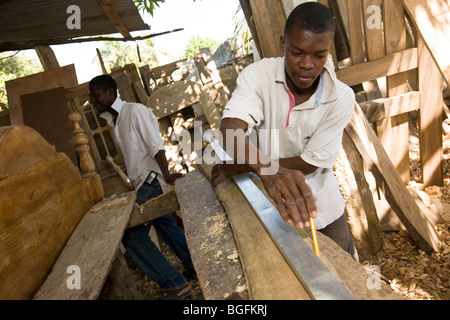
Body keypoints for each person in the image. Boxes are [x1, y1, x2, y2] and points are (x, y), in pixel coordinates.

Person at [212, 2, 358, 260]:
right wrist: (268, 171)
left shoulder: (342, 98)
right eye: (297, 52)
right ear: (283, 44)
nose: (307, 65)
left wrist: (248, 166)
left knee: (345, 275)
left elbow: (309, 163)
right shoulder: (258, 76)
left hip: (322, 207)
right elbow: (230, 129)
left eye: (319, 55)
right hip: (272, 206)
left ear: (328, 51)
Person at [88, 74, 196, 299]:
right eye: (90, 97)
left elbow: (156, 146)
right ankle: (196, 265)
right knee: (166, 225)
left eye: (96, 96)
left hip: (151, 179)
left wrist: (165, 175)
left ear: (111, 92)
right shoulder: (114, 120)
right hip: (142, 183)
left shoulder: (135, 112)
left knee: (130, 234)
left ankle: (176, 283)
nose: (93, 101)